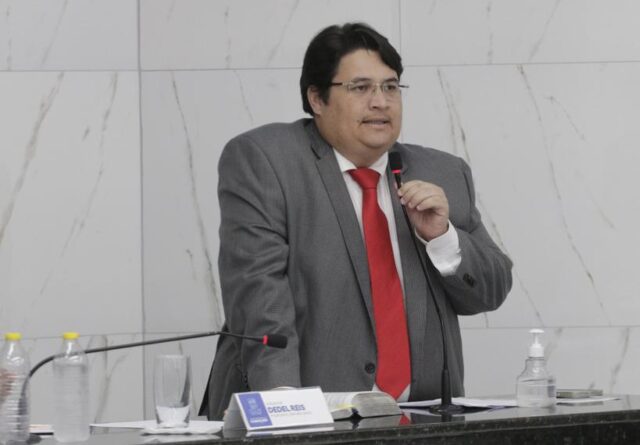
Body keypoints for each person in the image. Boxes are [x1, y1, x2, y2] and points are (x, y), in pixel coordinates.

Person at [200, 22, 512, 420]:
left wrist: (443, 238)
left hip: (421, 419)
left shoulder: (442, 172)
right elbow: (259, 294)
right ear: (317, 99)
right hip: (307, 416)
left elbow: (490, 292)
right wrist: (284, 409)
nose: (380, 102)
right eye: (360, 88)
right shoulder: (268, 161)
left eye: (391, 87)